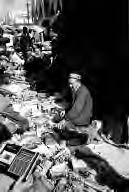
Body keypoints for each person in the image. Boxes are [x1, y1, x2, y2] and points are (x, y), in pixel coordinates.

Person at [52, 72, 93, 145]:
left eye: (72, 84)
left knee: (62, 128)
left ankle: (82, 137)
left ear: (78, 82)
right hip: (77, 115)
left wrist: (65, 120)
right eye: (69, 84)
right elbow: (73, 105)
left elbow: (76, 110)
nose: (70, 86)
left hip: (82, 118)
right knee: (57, 118)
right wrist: (65, 110)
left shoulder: (82, 92)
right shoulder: (75, 89)